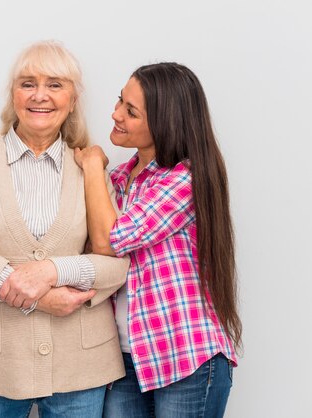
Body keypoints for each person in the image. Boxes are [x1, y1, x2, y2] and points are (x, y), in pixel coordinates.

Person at [0, 40, 130, 417]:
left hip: (81, 367)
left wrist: (52, 270)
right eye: (28, 83)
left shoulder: (89, 168)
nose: (40, 95)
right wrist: (39, 299)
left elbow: (117, 263)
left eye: (55, 85)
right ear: (13, 95)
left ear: (73, 100)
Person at [74, 62, 242, 417]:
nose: (115, 113)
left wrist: (91, 165)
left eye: (131, 111)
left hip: (185, 358)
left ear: (165, 123)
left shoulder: (185, 179)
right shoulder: (118, 179)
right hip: (123, 360)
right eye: (121, 100)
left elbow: (109, 240)